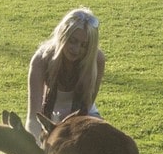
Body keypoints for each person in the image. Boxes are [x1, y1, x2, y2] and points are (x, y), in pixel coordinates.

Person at [26, 8, 106, 140]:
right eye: (72, 41)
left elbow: (87, 106)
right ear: (63, 36)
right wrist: (35, 148)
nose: (76, 49)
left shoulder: (97, 60)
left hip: (83, 115)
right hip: (48, 117)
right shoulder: (41, 60)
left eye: (84, 45)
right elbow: (33, 117)